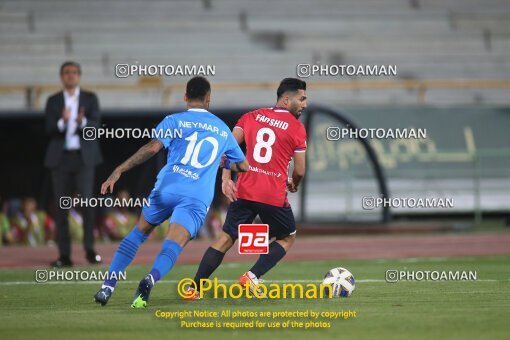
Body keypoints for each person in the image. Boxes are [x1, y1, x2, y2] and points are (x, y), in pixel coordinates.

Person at [93, 76, 249, 307]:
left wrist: (119, 169)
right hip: (195, 196)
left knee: (137, 234)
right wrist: (221, 162)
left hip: (167, 187)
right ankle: (150, 279)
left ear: (185, 97)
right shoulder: (222, 130)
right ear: (209, 99)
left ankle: (107, 287)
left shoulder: (173, 120)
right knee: (172, 244)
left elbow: (152, 148)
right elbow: (242, 165)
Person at [188, 78, 307, 299]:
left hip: (245, 190)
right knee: (287, 236)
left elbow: (227, 149)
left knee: (225, 238)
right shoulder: (297, 128)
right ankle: (252, 276)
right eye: (302, 99)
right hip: (272, 194)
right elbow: (300, 170)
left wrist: (225, 178)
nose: (305, 104)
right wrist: (295, 183)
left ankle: (193, 288)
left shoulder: (250, 116)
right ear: (287, 99)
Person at [44, 61, 103, 267]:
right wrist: (63, 121)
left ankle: (89, 250)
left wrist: (81, 122)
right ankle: (64, 255)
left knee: (87, 205)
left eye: (74, 72)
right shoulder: (53, 101)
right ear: (61, 76)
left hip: (84, 158)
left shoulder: (90, 98)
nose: (70, 76)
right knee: (62, 207)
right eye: (67, 72)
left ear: (79, 76)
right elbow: (49, 129)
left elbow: (96, 125)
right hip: (60, 159)